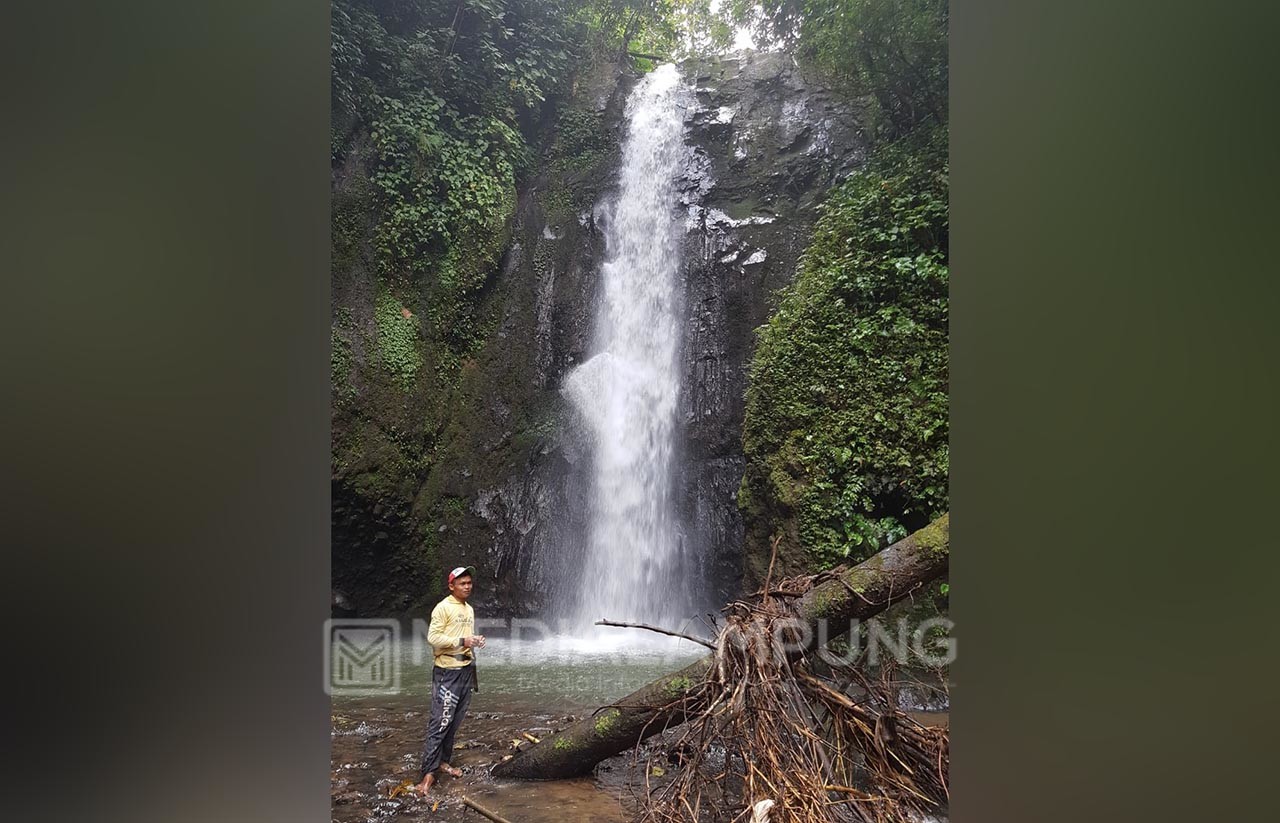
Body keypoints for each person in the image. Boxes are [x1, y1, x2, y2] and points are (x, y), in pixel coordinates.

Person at [413, 565, 485, 795]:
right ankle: (428, 774)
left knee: (454, 720)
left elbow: (464, 639)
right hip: (447, 671)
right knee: (440, 721)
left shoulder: (469, 609)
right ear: (451, 586)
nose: (467, 586)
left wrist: (474, 642)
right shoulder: (443, 608)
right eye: (462, 583)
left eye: (469, 582)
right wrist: (463, 641)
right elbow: (433, 638)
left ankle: (443, 761)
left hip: (465, 669)